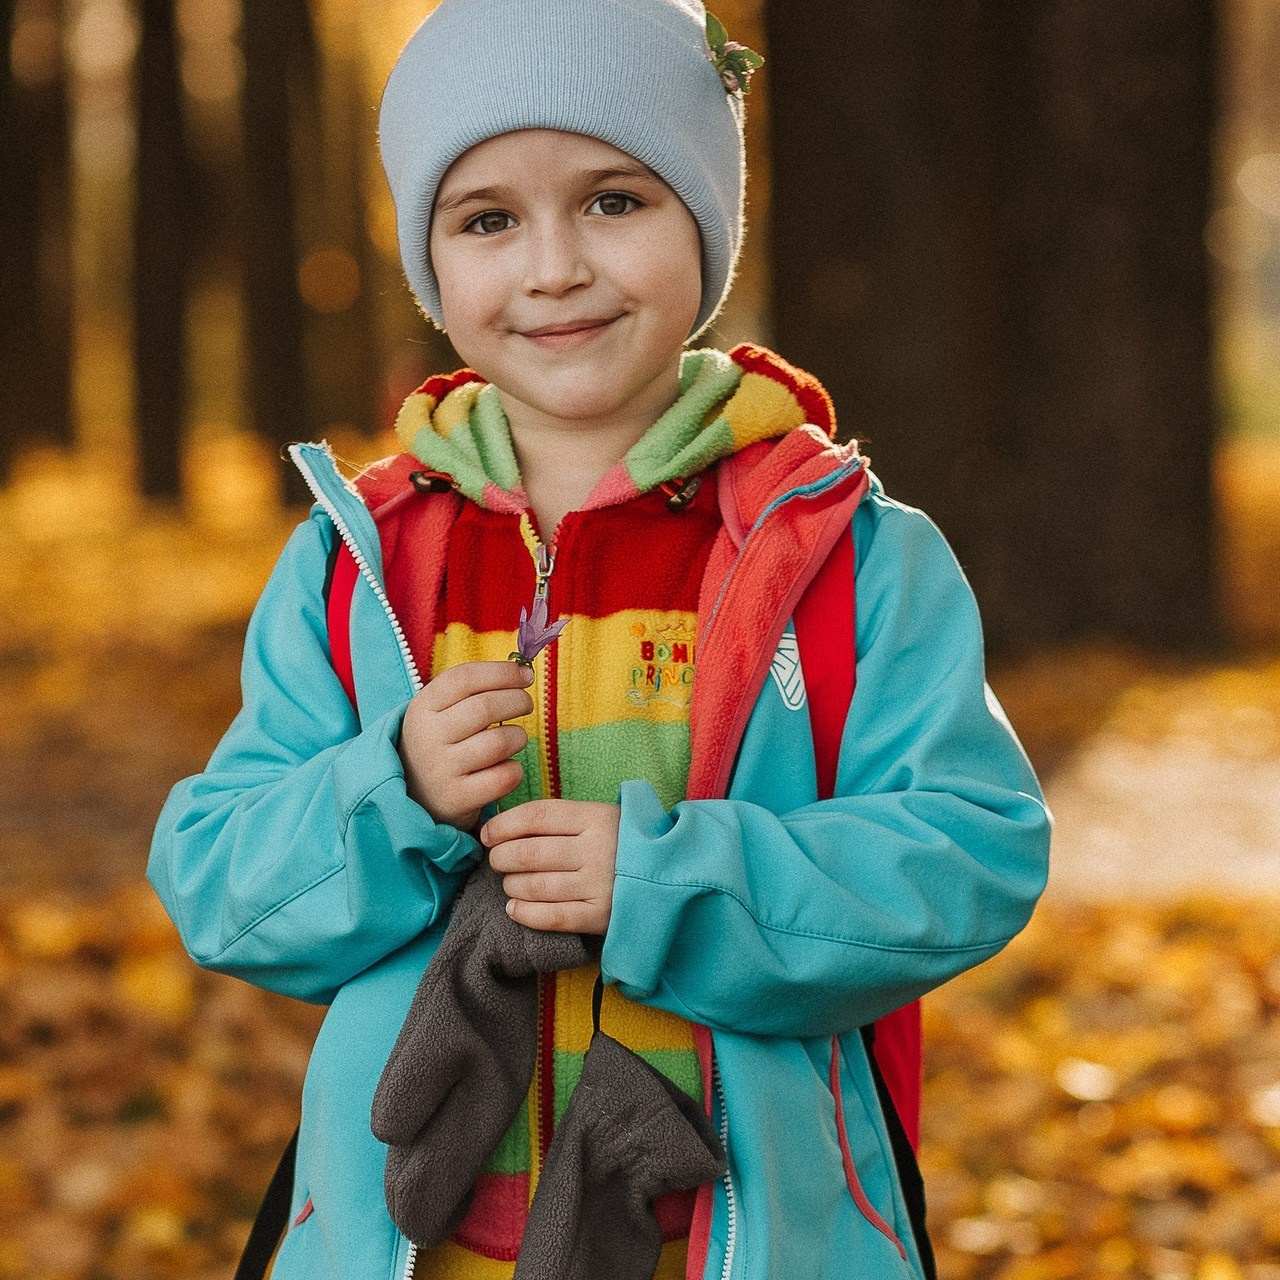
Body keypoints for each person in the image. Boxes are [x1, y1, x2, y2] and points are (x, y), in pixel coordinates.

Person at [148, 1, 1052, 1277]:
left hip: (741, 1237)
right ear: (430, 259)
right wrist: (388, 787)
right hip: (422, 1238)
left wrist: (665, 883)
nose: (554, 265)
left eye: (614, 200)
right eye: (487, 219)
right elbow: (221, 883)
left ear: (705, 220)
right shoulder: (357, 566)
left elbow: (970, 850)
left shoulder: (848, 554)